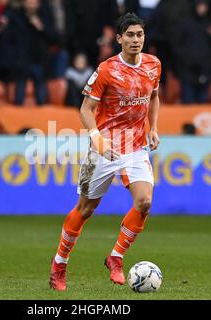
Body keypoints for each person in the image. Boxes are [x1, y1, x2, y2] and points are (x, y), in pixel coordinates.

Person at [49, 13, 162, 291]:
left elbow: (154, 97)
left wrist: (154, 127)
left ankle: (116, 258)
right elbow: (85, 110)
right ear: (119, 38)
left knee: (144, 202)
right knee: (86, 209)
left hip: (135, 146)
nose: (136, 40)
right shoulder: (107, 69)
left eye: (140, 35)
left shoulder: (153, 65)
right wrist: (96, 138)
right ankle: (59, 265)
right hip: (106, 147)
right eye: (130, 35)